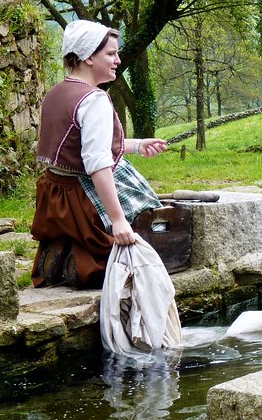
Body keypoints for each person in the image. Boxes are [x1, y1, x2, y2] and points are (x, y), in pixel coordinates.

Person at [31, 21, 168, 288]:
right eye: (111, 54)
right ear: (89, 57)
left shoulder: (57, 93)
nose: (118, 60)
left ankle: (67, 255)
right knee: (150, 209)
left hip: (56, 196)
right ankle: (92, 260)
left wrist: (138, 145)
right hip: (83, 198)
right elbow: (97, 165)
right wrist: (118, 221)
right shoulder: (93, 100)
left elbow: (79, 146)